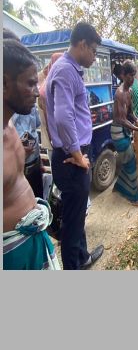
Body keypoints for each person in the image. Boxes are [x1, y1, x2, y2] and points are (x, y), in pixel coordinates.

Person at [45, 21, 104, 270]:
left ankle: (82, 257)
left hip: (73, 155)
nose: (94, 57)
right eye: (92, 50)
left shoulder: (67, 69)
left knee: (78, 214)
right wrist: (77, 154)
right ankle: (74, 267)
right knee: (71, 221)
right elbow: (62, 117)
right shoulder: (65, 71)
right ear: (81, 44)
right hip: (72, 159)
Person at [3, 39, 60, 269]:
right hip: (14, 255)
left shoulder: (10, 127)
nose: (37, 92)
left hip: (32, 241)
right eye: (30, 84)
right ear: (5, 83)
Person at [111, 60, 138, 206]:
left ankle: (120, 187)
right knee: (131, 162)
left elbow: (130, 113)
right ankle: (134, 198)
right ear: (123, 75)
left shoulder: (130, 91)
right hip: (117, 132)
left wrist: (137, 120)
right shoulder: (119, 93)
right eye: (129, 76)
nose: (132, 79)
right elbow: (121, 119)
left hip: (125, 130)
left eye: (134, 75)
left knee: (128, 161)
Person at [11, 106, 43, 198]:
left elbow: (35, 125)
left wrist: (39, 161)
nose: (36, 92)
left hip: (34, 161)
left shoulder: (30, 104)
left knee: (38, 200)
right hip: (18, 167)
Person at [37, 53, 63, 160]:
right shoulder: (48, 88)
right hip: (54, 140)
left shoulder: (46, 82)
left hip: (53, 139)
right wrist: (54, 139)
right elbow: (50, 120)